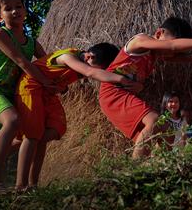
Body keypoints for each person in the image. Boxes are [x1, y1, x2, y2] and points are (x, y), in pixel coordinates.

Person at [14, 43, 135, 190]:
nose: (97, 74)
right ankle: (21, 185)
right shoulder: (68, 57)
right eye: (100, 70)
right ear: (89, 57)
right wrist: (121, 80)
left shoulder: (83, 63)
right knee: (33, 135)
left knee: (54, 129)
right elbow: (90, 72)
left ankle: (32, 184)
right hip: (31, 88)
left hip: (47, 94)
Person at [99, 17, 192, 157]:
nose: (171, 54)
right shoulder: (139, 41)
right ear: (158, 33)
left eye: (174, 53)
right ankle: (135, 174)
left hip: (122, 95)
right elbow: (171, 46)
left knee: (166, 132)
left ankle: (165, 167)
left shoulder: (156, 55)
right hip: (112, 92)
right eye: (171, 46)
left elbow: (190, 58)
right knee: (154, 119)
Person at [0, 0, 54, 193]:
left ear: (25, 10)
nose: (15, 11)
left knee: (25, 134)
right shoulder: (0, 34)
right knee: (12, 121)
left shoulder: (33, 42)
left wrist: (59, 80)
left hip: (11, 93)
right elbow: (22, 61)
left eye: (18, 6)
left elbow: (48, 64)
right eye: (8, 8)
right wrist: (45, 82)